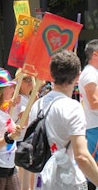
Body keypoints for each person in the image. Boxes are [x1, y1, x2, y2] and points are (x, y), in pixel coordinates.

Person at [29, 50, 98, 189]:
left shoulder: (37, 105)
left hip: (41, 181)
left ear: (52, 75)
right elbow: (82, 156)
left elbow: (29, 150)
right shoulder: (73, 107)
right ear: (78, 76)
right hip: (67, 182)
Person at [78, 39, 98, 190]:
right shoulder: (90, 74)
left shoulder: (92, 73)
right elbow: (94, 102)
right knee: (92, 170)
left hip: (93, 127)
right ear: (95, 55)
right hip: (94, 128)